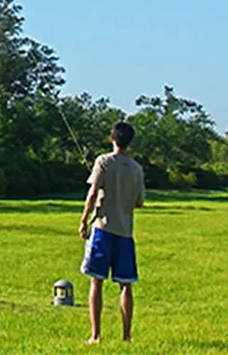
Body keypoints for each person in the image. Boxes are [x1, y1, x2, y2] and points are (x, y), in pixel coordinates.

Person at [78, 121, 146, 344]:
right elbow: (139, 202)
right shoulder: (137, 169)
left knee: (96, 282)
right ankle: (127, 337)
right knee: (126, 285)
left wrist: (84, 220)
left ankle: (96, 335)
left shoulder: (103, 161)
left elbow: (92, 193)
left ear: (112, 139)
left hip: (103, 229)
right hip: (125, 232)